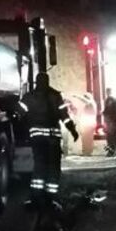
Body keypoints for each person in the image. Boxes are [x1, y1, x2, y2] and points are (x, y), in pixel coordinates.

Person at [20, 73, 79, 206]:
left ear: (36, 82)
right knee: (53, 167)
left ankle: (37, 198)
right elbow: (65, 117)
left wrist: (23, 129)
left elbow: (18, 113)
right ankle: (51, 198)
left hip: (37, 139)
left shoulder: (29, 97)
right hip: (53, 139)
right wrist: (73, 130)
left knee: (39, 166)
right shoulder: (55, 96)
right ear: (47, 81)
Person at [103, 88, 116, 156]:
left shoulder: (112, 100)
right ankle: (115, 150)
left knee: (112, 136)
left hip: (112, 120)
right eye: (107, 92)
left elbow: (113, 111)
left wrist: (112, 120)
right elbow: (107, 110)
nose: (107, 93)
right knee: (110, 136)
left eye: (108, 92)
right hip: (109, 120)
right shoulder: (108, 100)